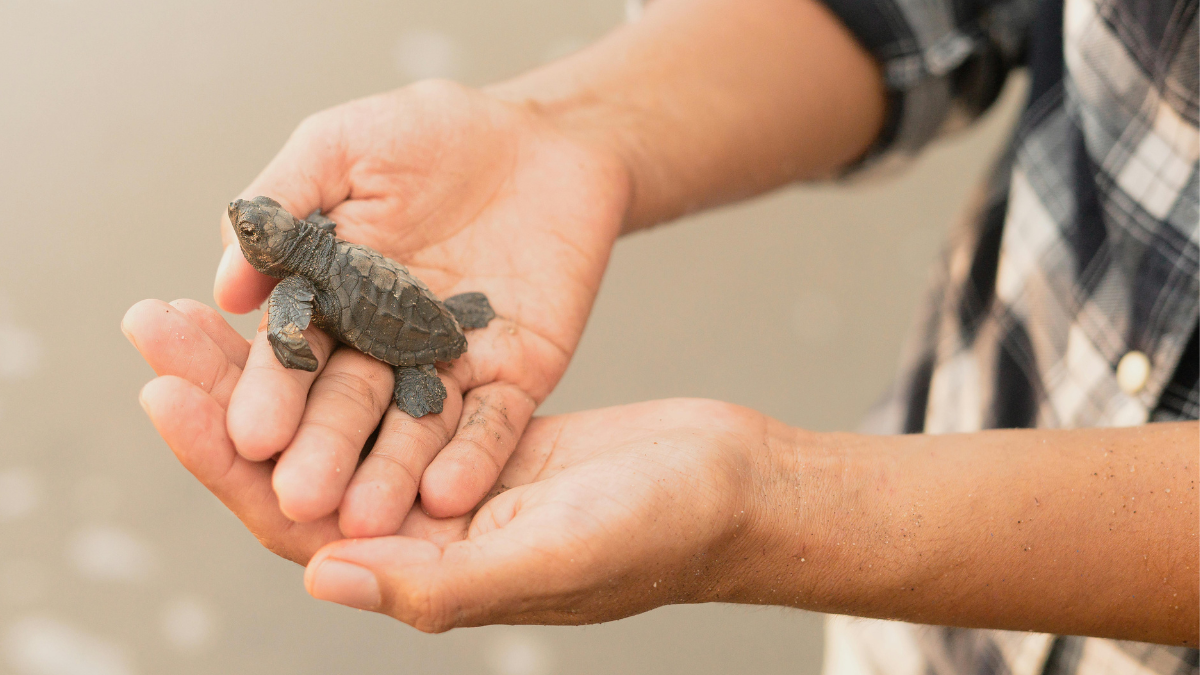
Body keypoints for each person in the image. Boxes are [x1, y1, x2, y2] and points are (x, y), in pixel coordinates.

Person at [121, 0, 1199, 671]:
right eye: (258, 228)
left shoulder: (305, 283)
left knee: (407, 365)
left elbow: (299, 319)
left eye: (258, 231)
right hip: (915, 622)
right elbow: (917, 15)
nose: (252, 228)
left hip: (922, 551)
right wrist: (560, 133)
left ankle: (427, 361)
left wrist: (778, 507)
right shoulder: (318, 254)